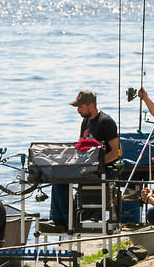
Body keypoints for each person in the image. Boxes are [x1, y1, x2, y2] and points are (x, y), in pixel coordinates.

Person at [48, 90, 121, 229]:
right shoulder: (85, 122)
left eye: (81, 107)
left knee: (63, 182)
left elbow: (116, 152)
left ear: (91, 106)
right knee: (57, 178)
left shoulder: (106, 122)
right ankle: (59, 220)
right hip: (86, 167)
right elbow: (80, 147)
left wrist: (96, 165)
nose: (78, 110)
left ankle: (70, 221)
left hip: (103, 170)